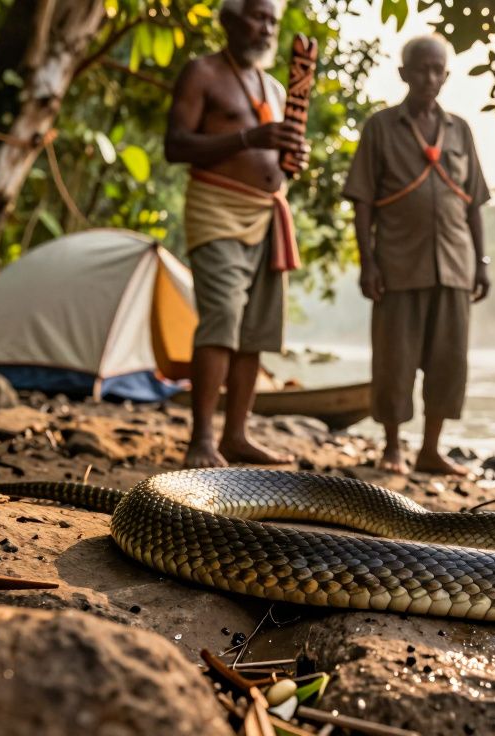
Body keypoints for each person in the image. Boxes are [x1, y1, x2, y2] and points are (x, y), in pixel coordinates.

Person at [164, 0, 308, 468]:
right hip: (216, 208)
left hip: (268, 214)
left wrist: (293, 161)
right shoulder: (202, 73)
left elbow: (278, 155)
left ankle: (237, 435)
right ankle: (201, 439)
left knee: (256, 330)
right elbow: (175, 145)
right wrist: (249, 139)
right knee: (222, 315)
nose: (266, 28)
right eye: (258, 17)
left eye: (273, 21)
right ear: (228, 18)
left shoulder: (276, 87)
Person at [342, 34, 492, 476]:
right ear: (403, 73)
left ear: (446, 75)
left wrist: (481, 263)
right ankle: (392, 448)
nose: (429, 77)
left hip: (455, 267)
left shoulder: (460, 129)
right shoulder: (380, 127)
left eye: (437, 70)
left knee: (448, 362)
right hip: (397, 265)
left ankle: (431, 449)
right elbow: (362, 200)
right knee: (395, 361)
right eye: (421, 69)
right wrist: (368, 262)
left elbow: (473, 202)